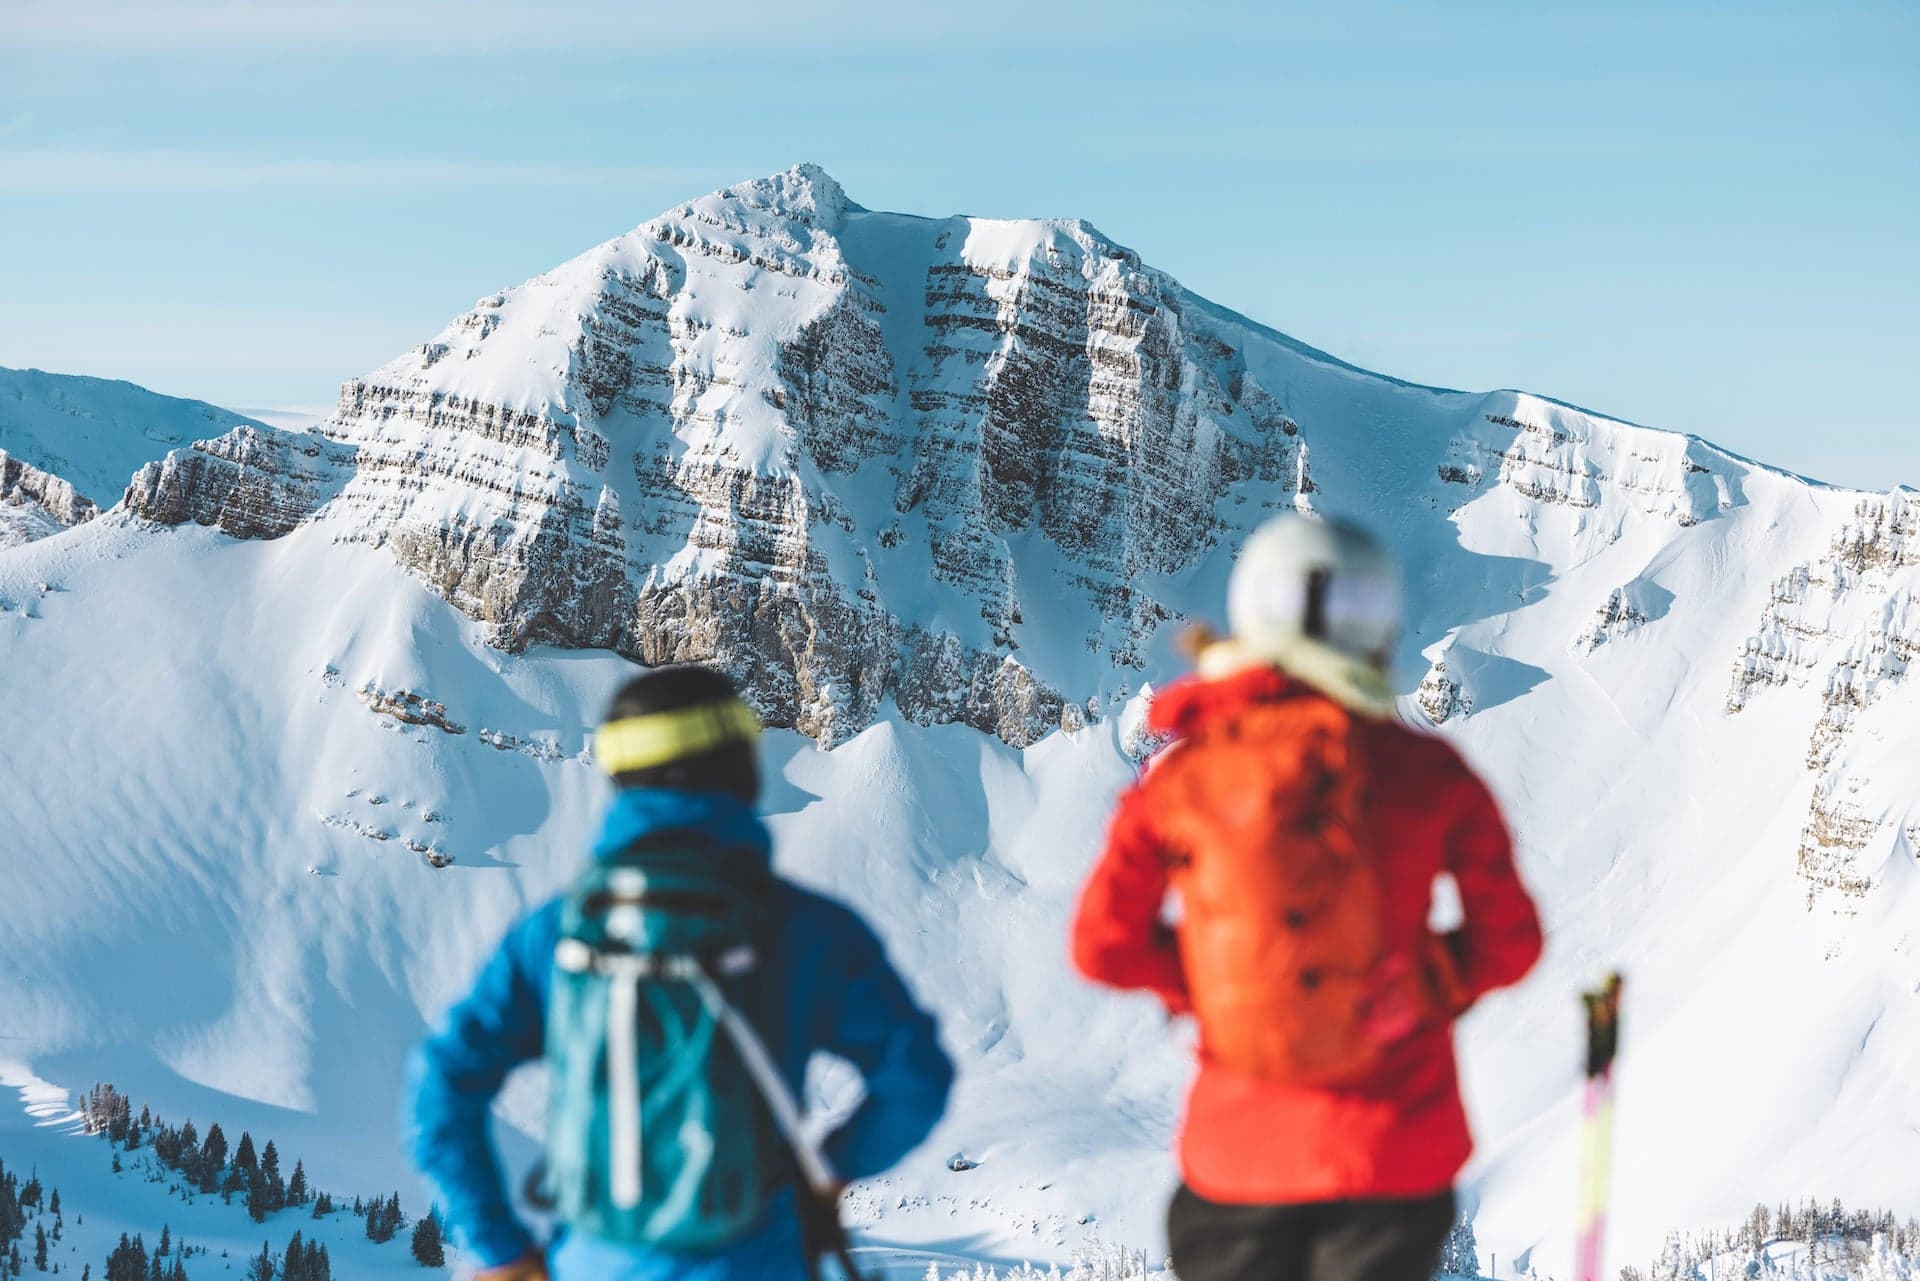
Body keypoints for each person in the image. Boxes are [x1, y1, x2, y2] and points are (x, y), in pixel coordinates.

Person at [1071, 513, 1543, 1281]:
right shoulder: (1429, 774)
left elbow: (1103, 944)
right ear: (1377, 625)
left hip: (1235, 1161)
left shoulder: (1184, 777)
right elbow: (1511, 942)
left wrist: (1214, 985)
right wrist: (1428, 980)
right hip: (1389, 1161)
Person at [406, 665, 954, 1281]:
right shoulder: (807, 930)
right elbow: (917, 1077)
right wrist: (828, 1169)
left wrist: (501, 1248)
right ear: (742, 770)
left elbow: (443, 1087)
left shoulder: (556, 932)